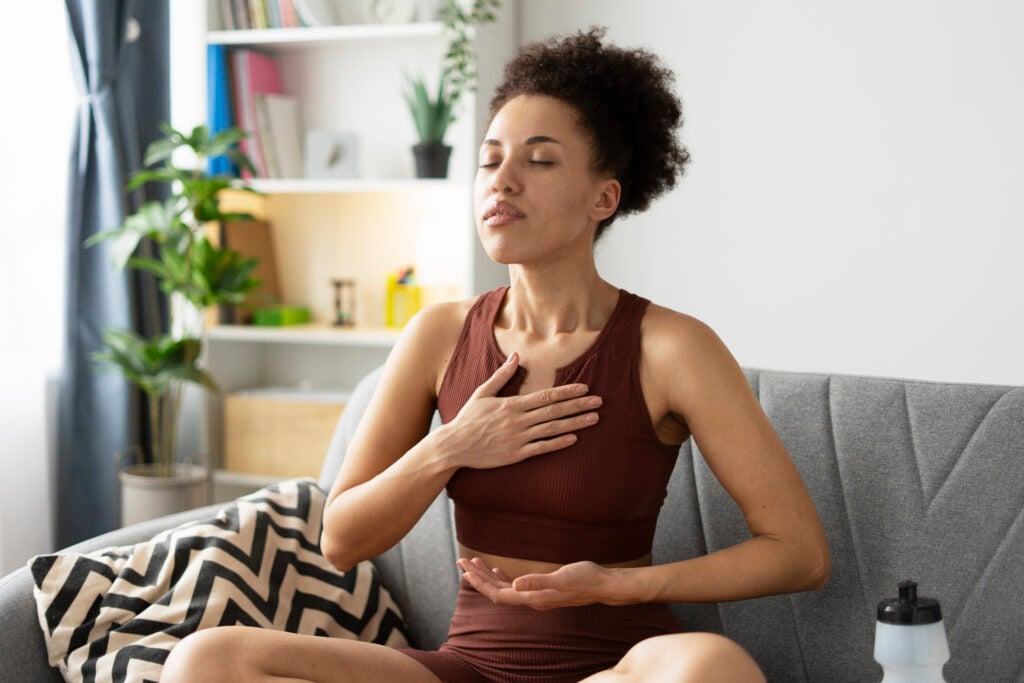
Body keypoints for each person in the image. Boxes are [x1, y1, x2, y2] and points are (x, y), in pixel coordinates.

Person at [162, 27, 829, 683]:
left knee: (712, 666)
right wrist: (450, 445)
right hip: (469, 666)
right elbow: (341, 539)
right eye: (489, 160)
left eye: (538, 160)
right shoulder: (439, 334)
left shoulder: (671, 346)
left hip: (619, 667)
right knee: (209, 658)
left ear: (604, 196)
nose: (501, 181)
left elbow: (799, 552)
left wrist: (622, 585)